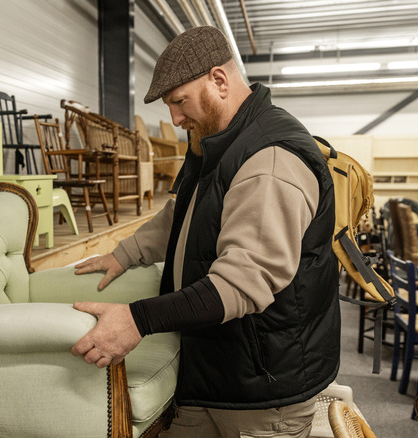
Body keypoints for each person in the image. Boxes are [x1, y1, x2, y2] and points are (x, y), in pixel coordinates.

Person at [70, 25, 340, 437]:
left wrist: (137, 320)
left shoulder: (269, 158)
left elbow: (242, 284)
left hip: (263, 390)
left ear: (218, 80)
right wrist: (122, 255)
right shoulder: (217, 140)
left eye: (179, 102)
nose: (175, 119)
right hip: (212, 371)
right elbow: (183, 214)